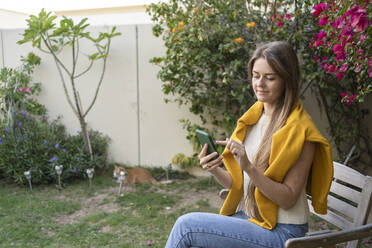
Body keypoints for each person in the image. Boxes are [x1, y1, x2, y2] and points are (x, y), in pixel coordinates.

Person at [165, 41, 334, 248]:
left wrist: (250, 168)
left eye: (270, 78)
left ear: (286, 80)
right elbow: (241, 186)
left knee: (187, 227)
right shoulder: (254, 118)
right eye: (256, 76)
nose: (260, 84)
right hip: (252, 219)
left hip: (283, 233)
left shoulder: (301, 131)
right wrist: (215, 169)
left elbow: (288, 198)